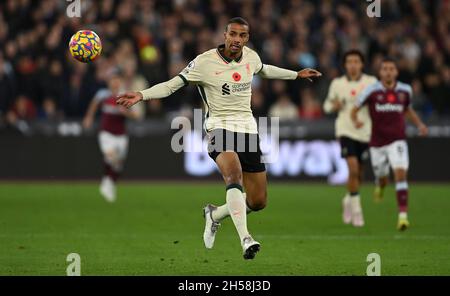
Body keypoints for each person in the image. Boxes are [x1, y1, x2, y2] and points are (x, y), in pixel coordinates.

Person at [116, 17, 322, 259]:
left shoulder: (251, 57)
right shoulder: (204, 62)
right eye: (232, 34)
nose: (236, 40)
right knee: (233, 175)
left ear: (247, 38)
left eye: (242, 35)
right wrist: (142, 94)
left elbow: (264, 69)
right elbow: (173, 85)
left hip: (247, 131)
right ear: (224, 35)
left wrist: (295, 74)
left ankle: (214, 214)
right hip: (218, 129)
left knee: (258, 202)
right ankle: (246, 238)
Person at [351, 58, 428, 231]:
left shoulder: (405, 90)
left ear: (396, 72)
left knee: (400, 174)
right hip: (377, 142)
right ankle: (380, 184)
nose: (388, 72)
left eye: (391, 69)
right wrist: (355, 121)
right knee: (383, 175)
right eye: (384, 69)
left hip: (397, 140)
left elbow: (407, 109)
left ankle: (402, 217)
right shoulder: (371, 91)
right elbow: (354, 109)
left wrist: (420, 125)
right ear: (380, 73)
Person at [323, 50, 377, 227]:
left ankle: (348, 200)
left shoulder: (371, 82)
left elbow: (377, 102)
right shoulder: (337, 83)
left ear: (362, 64)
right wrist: (334, 105)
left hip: (365, 132)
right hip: (345, 131)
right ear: (345, 65)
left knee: (359, 174)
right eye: (349, 62)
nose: (353, 65)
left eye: (356, 61)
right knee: (352, 169)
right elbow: (326, 106)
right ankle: (357, 211)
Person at [83, 73, 142, 202]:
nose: (114, 83)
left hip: (121, 135)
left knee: (118, 165)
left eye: (117, 80)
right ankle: (106, 182)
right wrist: (89, 117)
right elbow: (94, 105)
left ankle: (109, 183)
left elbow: (137, 116)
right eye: (112, 80)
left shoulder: (124, 96)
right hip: (106, 133)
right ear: (109, 82)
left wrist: (126, 112)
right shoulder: (103, 94)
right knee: (111, 157)